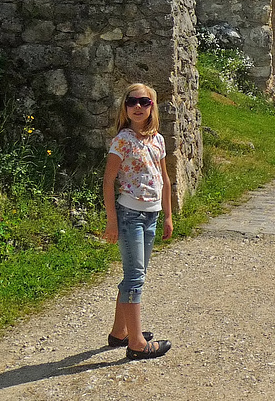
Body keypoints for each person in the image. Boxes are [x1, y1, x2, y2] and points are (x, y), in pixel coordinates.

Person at [103, 82, 173, 360]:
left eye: (144, 102)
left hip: (152, 215)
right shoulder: (122, 139)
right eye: (132, 102)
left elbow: (165, 180)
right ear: (125, 107)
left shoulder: (157, 139)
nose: (138, 107)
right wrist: (112, 222)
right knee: (134, 278)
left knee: (135, 276)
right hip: (129, 214)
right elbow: (109, 181)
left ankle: (120, 332)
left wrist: (168, 215)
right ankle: (137, 343)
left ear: (152, 107)